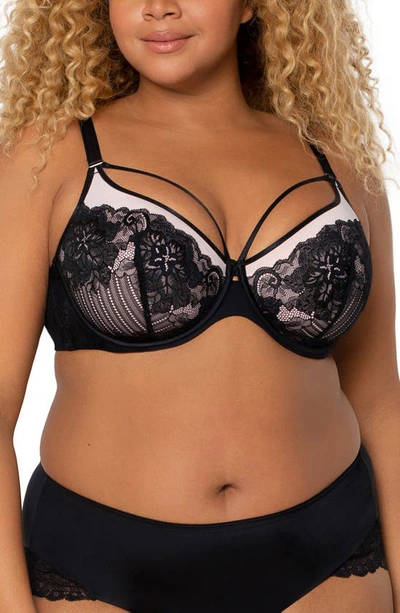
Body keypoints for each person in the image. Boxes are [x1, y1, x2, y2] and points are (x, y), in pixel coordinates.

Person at [0, 0, 398, 611]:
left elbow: (379, 400)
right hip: (100, 564)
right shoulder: (46, 156)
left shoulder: (339, 161)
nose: (159, 7)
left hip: (329, 560)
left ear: (253, 5)